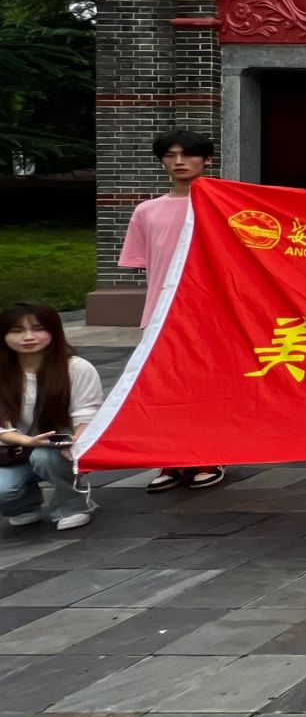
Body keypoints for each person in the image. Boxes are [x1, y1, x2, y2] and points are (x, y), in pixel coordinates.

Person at [121, 129, 226, 493]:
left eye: (188, 154)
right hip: (161, 313)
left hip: (212, 313)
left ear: (206, 160)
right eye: (170, 155)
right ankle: (171, 458)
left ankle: (208, 455)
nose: (179, 162)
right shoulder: (146, 211)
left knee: (207, 388)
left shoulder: (224, 205)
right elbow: (145, 264)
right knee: (164, 390)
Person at [1, 303, 101, 531]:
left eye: (38, 329)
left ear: (54, 331)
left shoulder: (76, 368)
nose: (28, 337)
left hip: (61, 447)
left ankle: (74, 506)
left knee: (45, 458)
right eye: (17, 331)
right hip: (14, 449)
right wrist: (27, 441)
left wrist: (77, 444)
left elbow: (87, 414)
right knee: (3, 489)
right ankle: (22, 506)